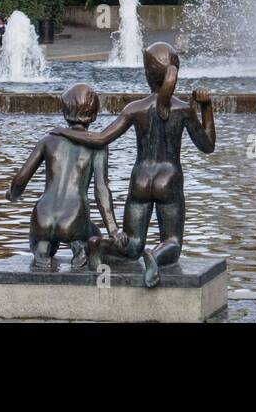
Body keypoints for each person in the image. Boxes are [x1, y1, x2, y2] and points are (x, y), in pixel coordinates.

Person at [54, 42, 215, 288]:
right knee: (172, 241)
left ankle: (99, 244)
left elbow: (100, 138)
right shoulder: (184, 110)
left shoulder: (134, 109)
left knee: (132, 245)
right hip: (168, 180)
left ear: (147, 74)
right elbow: (207, 146)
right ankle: (155, 256)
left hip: (140, 179)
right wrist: (206, 107)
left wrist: (64, 132)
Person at [6, 84, 120, 269]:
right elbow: (101, 189)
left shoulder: (47, 140)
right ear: (94, 114)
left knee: (43, 245)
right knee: (94, 236)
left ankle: (42, 250)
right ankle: (79, 248)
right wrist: (113, 229)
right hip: (73, 217)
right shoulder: (97, 146)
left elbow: (21, 178)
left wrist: (13, 194)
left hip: (42, 216)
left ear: (64, 112)